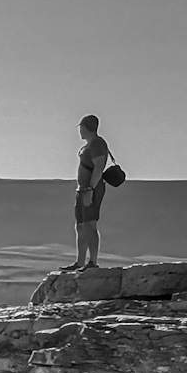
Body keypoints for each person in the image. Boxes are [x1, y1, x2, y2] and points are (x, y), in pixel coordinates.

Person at [71, 113, 111, 270]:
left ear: (87, 128)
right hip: (82, 189)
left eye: (81, 127)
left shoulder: (97, 144)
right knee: (80, 225)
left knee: (90, 224)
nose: (80, 131)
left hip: (90, 189)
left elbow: (98, 167)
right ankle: (80, 262)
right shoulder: (88, 145)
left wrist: (90, 189)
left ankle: (92, 262)